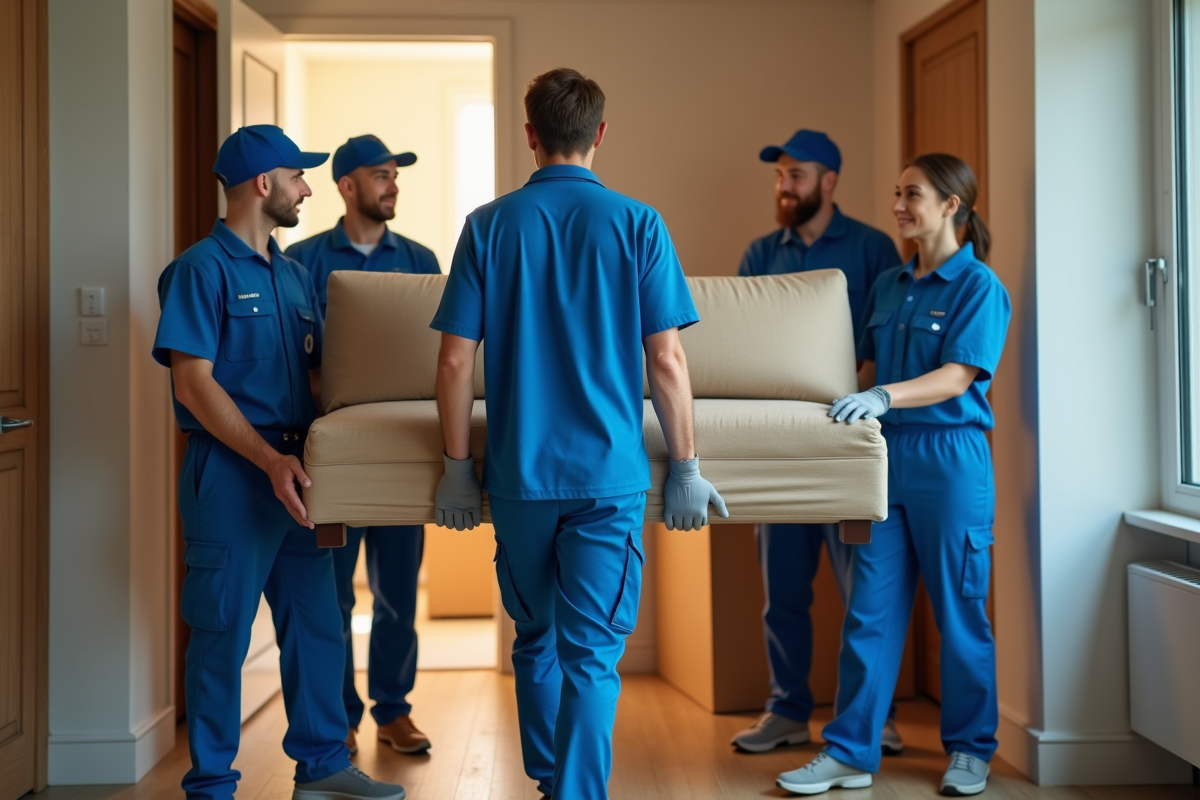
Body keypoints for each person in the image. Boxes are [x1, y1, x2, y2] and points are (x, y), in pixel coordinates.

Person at [429, 68, 728, 800]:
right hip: (605, 480)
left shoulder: (488, 226)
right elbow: (666, 357)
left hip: (519, 477)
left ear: (530, 136)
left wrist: (456, 468)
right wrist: (685, 466)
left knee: (535, 640)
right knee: (591, 658)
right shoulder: (638, 224)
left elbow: (453, 358)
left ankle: (546, 782)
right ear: (600, 134)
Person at [152, 124, 404, 800]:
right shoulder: (198, 270)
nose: (307, 188)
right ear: (264, 184)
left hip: (300, 477)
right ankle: (211, 786)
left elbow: (320, 381)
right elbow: (193, 382)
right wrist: (267, 460)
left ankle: (321, 769)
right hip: (234, 476)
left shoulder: (294, 277)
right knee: (221, 633)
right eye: (298, 176)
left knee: (320, 623)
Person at [776, 153, 1010, 797]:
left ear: (951, 206)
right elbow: (857, 374)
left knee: (960, 614)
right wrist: (804, 414)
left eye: (913, 194)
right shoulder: (888, 284)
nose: (899, 205)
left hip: (951, 461)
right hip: (880, 461)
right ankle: (849, 751)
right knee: (868, 613)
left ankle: (969, 751)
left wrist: (884, 396)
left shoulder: (979, 287)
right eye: (896, 194)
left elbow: (958, 376)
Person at [732, 129, 905, 756]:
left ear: (828, 181)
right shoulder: (760, 254)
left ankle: (872, 717)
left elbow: (883, 342)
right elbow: (744, 345)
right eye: (779, 175)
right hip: (780, 448)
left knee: (863, 593)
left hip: (850, 445)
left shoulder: (873, 248)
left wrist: (844, 399)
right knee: (783, 591)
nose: (784, 186)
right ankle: (786, 712)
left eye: (795, 175)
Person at [286, 134, 439, 757]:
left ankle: (393, 711)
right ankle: (342, 715)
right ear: (346, 187)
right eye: (380, 175)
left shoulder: (423, 258)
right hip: (335, 460)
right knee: (333, 594)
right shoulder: (301, 260)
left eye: (395, 175)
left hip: (404, 453)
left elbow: (443, 354)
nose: (392, 184)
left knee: (399, 591)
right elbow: (296, 362)